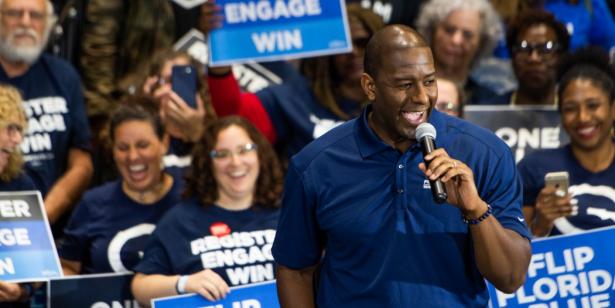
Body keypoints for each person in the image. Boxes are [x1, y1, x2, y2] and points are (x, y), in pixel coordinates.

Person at [272, 25, 531, 307]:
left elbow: (511, 278)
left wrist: (475, 209)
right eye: (404, 84)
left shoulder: (485, 153)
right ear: (370, 87)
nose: (421, 97)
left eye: (429, 81)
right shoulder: (315, 166)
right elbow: (295, 271)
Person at [131, 116, 283, 304]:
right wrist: (184, 283)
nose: (235, 162)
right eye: (222, 154)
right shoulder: (181, 220)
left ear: (260, 155)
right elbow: (140, 286)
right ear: (207, 162)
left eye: (244, 150)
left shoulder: (287, 212)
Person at [207, 4, 384, 158]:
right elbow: (233, 115)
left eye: (363, 42)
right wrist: (220, 48)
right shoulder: (295, 99)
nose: (353, 52)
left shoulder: (398, 102)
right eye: (343, 44)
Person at [58, 98, 183, 274]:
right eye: (123, 147)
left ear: (164, 143)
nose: (132, 157)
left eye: (143, 145)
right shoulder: (92, 203)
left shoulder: (189, 196)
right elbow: (67, 266)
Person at [0, 0, 93, 232]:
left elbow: (82, 162)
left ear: (48, 24)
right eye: (15, 13)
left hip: (52, 222)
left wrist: (40, 219)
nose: (25, 22)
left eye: (35, 15)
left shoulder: (64, 76)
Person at [518, 47, 615, 237]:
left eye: (593, 105)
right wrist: (540, 224)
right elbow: (510, 258)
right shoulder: (534, 167)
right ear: (560, 114)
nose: (583, 117)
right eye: (571, 108)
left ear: (613, 108)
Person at [416, 0, 503, 104]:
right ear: (432, 31)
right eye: (449, 30)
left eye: (467, 35)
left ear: (482, 42)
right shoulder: (409, 91)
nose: (456, 41)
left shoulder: (489, 102)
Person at [0, 84, 38, 307]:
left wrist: (22, 289)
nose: (16, 140)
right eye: (10, 128)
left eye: (19, 130)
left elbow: (40, 266)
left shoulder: (20, 184)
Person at [485, 10, 570, 106]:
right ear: (512, 57)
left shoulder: (576, 112)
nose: (534, 58)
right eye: (523, 48)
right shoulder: (490, 112)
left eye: (545, 49)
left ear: (560, 57)